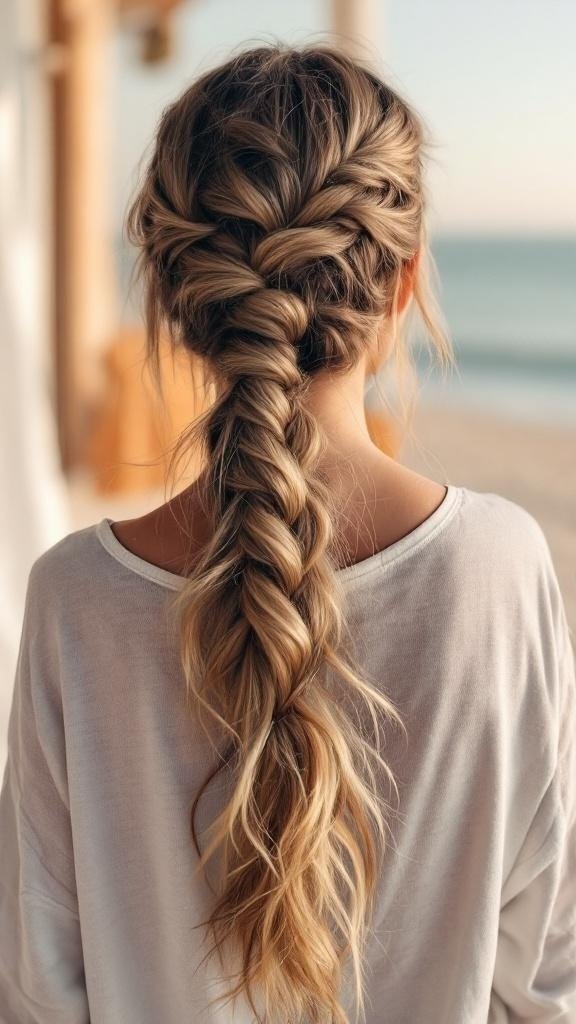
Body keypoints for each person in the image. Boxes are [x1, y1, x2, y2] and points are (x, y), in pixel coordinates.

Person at [0, 43, 574, 1024]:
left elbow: (39, 999)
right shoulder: (499, 570)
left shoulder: (74, 601)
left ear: (178, 302)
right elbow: (547, 988)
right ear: (403, 284)